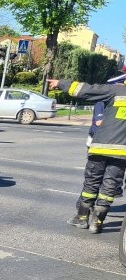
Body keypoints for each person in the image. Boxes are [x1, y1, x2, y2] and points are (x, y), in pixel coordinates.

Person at [48, 75, 126, 233]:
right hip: (122, 152)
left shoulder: (116, 90)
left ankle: (82, 217)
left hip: (100, 147)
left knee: (91, 183)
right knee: (110, 185)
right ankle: (97, 222)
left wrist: (60, 83)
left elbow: (85, 90)